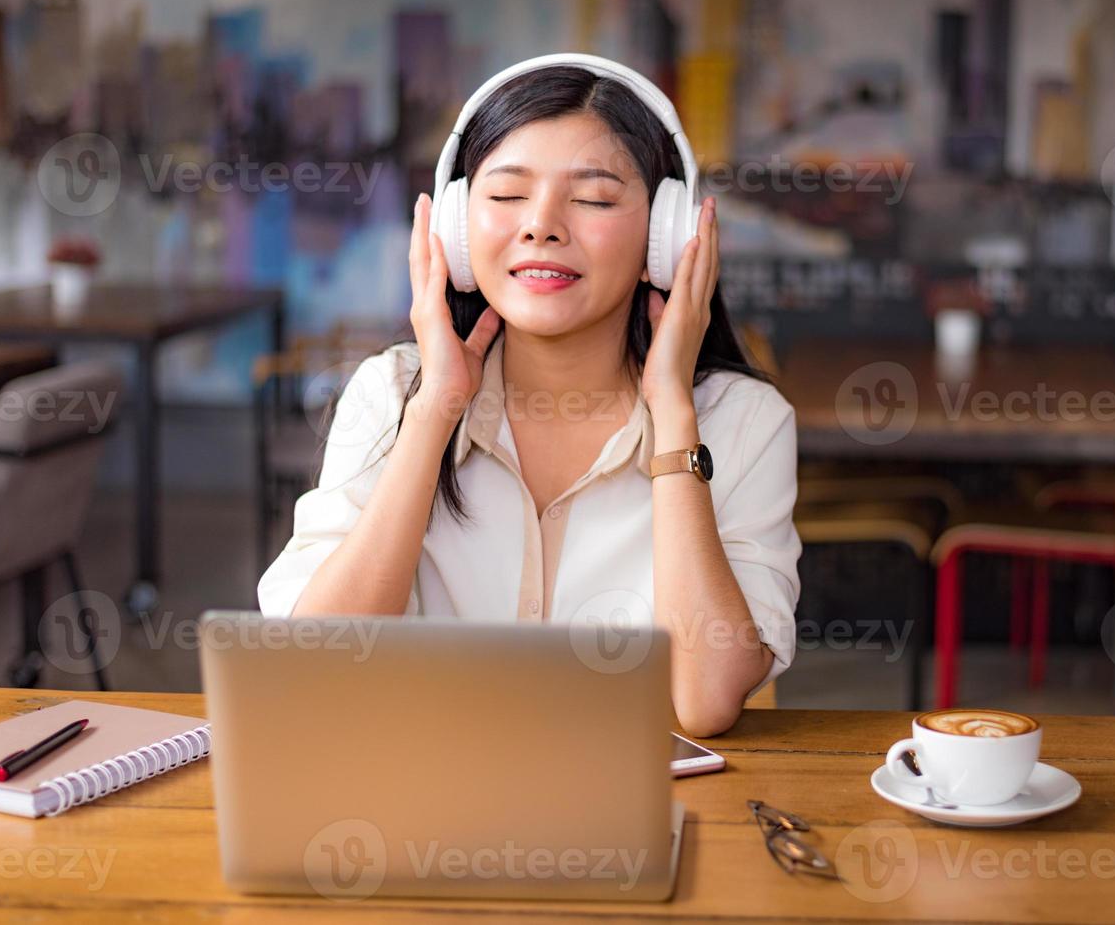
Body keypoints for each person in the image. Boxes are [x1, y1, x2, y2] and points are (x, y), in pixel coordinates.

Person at [258, 58, 801, 737]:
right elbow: (316, 669)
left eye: (595, 199)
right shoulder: (390, 395)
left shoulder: (743, 422)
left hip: (638, 820)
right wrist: (434, 412)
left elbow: (705, 700)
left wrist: (672, 414)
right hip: (411, 812)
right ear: (455, 226)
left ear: (668, 239)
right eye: (508, 195)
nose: (541, 225)